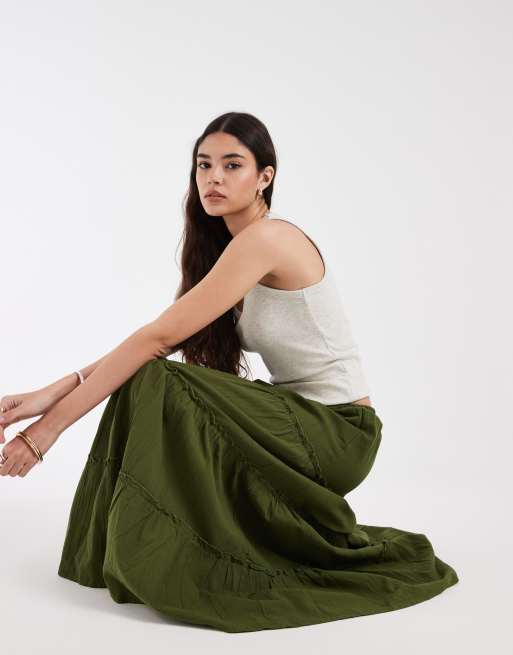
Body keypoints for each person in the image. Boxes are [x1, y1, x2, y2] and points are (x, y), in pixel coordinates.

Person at [0, 112, 458, 632]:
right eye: (204, 165)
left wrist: (47, 430)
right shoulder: (228, 253)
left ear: (265, 177)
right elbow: (152, 342)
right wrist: (49, 392)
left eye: (232, 165)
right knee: (152, 377)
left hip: (338, 435)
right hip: (295, 424)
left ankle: (167, 557)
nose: (213, 178)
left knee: (158, 381)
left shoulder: (270, 240)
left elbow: (155, 342)